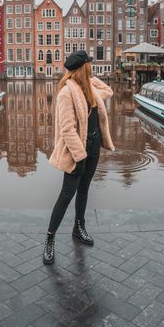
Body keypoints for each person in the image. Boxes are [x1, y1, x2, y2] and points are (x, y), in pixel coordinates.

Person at [43, 50, 115, 265]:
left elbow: (108, 90)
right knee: (66, 195)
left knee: (84, 190)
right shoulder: (67, 92)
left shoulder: (91, 88)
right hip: (77, 151)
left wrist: (89, 78)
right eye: (89, 65)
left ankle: (79, 227)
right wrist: (79, 154)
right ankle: (49, 239)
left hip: (93, 147)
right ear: (84, 67)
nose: (92, 67)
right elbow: (67, 128)